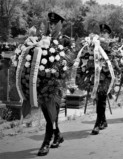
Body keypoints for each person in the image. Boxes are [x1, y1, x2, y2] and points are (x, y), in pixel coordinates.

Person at [37, 12, 71, 156]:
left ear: (60, 24)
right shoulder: (42, 39)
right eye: (50, 23)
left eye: (54, 23)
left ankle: (46, 142)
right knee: (48, 112)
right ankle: (57, 135)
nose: (51, 26)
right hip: (42, 81)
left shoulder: (65, 41)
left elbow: (68, 61)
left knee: (53, 110)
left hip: (56, 83)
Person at [91, 23, 113, 135]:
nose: (103, 34)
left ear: (108, 34)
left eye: (105, 32)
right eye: (101, 32)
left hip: (107, 76)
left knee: (102, 99)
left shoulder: (111, 45)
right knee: (99, 99)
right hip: (96, 76)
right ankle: (103, 121)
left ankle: (97, 124)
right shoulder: (95, 44)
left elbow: (113, 60)